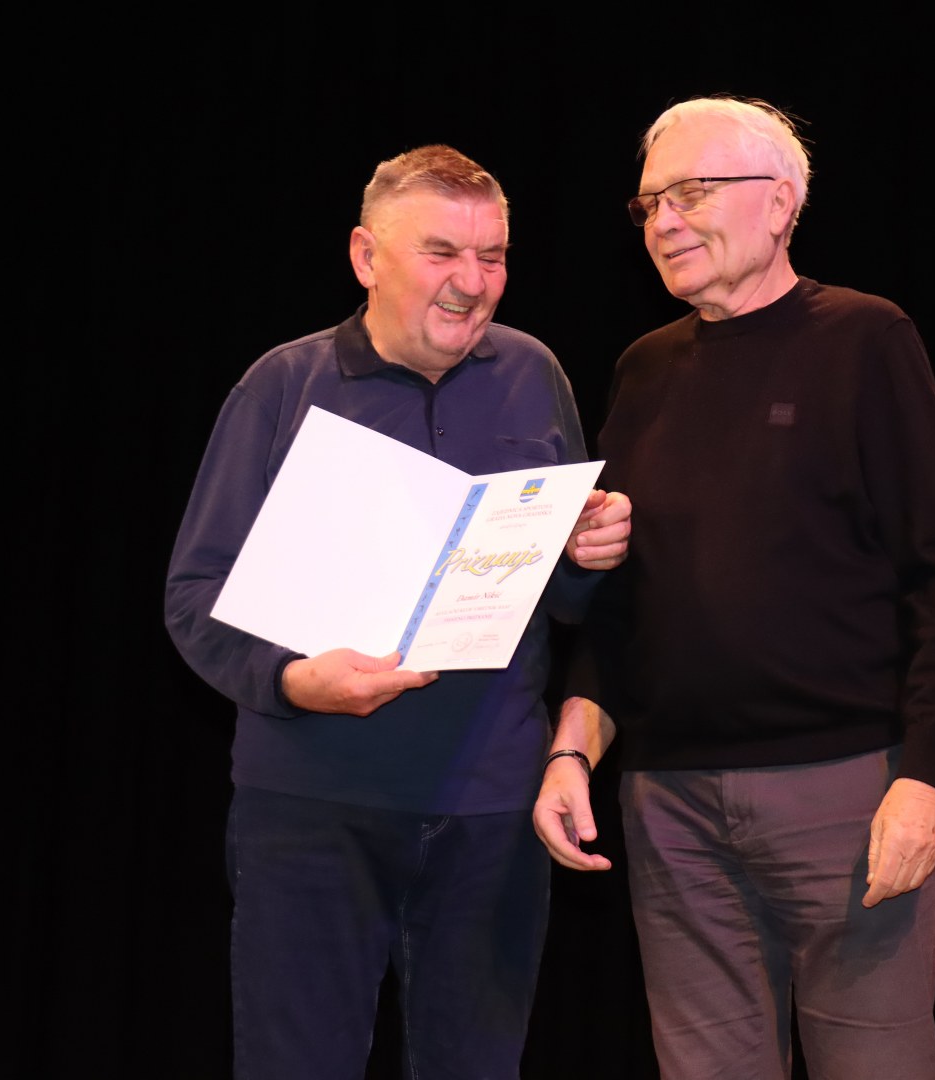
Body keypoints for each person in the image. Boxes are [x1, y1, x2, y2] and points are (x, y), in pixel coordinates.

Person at [533, 96, 935, 1079]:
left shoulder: (865, 338)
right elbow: (621, 607)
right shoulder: (645, 369)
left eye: (693, 193)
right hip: (669, 805)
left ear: (781, 203)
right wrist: (572, 751)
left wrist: (927, 777)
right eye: (649, 202)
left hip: (846, 796)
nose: (664, 221)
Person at [164, 143, 631, 1079]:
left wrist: (588, 556)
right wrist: (294, 681)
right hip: (312, 808)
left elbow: (566, 600)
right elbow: (195, 596)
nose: (473, 281)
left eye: (492, 256)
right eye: (441, 252)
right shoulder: (283, 386)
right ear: (365, 257)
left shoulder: (533, 372)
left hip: (491, 808)